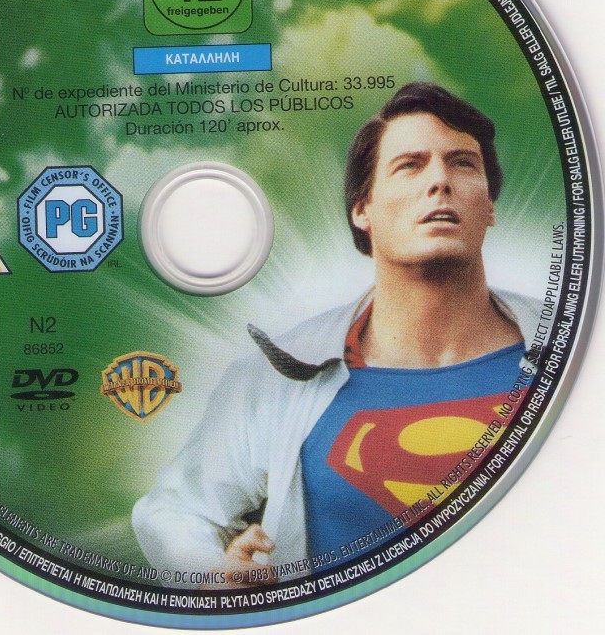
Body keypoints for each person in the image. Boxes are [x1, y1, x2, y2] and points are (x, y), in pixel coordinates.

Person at [132, 82, 539, 589]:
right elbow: (174, 510)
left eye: (462, 163)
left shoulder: (574, 351)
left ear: (490, 206)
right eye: (410, 165)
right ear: (361, 209)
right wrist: (210, 572)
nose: (440, 180)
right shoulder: (276, 376)